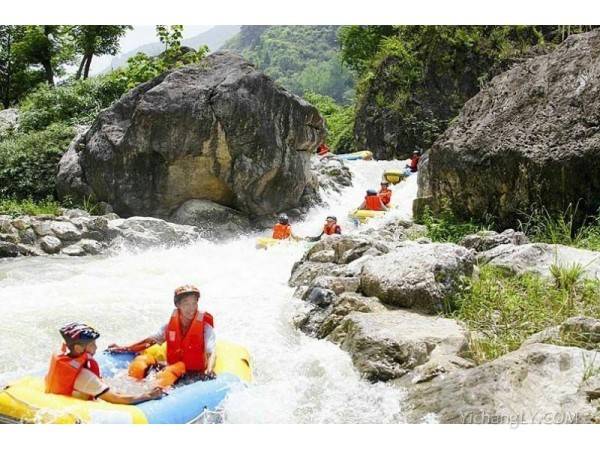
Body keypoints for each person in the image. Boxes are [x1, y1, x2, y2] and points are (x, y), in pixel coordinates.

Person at [107, 284, 217, 387]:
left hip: (192, 374)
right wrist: (125, 348)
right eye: (186, 304)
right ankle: (128, 388)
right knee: (141, 362)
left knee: (172, 370)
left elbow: (211, 353)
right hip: (173, 367)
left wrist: (209, 370)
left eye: (194, 303)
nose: (191, 308)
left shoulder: (205, 328)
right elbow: (149, 341)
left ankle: (153, 392)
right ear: (178, 305)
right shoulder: (169, 326)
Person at [45, 322, 163, 404]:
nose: (96, 347)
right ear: (78, 348)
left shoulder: (62, 354)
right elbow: (116, 398)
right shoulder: (84, 377)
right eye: (92, 344)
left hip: (64, 395)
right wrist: (148, 395)